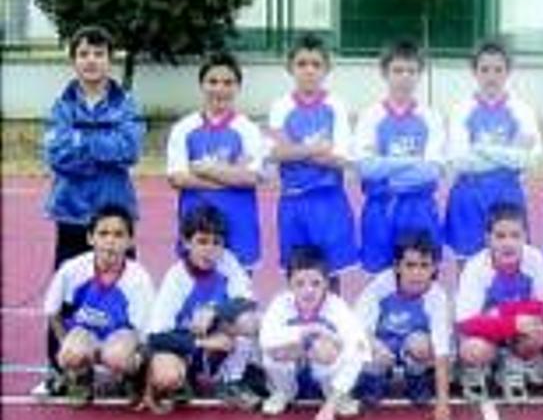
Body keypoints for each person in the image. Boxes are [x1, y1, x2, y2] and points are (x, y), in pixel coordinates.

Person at [42, 25, 145, 376]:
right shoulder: (61, 105)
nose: (91, 60)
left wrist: (80, 141)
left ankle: (128, 365)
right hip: (72, 213)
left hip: (116, 214)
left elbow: (129, 149)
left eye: (98, 54)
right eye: (83, 54)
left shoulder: (126, 103)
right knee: (69, 292)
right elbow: (57, 155)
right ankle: (61, 369)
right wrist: (104, 145)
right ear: (73, 60)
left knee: (125, 291)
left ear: (110, 60)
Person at [142, 204, 261, 414]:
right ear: (187, 242)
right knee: (166, 376)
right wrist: (202, 343)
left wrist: (215, 311)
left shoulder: (227, 261)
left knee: (250, 321)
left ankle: (231, 381)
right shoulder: (176, 278)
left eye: (217, 243)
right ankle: (182, 380)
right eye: (202, 241)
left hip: (217, 343)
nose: (210, 249)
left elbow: (247, 301)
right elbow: (155, 337)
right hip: (184, 345)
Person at [42, 204, 155, 405]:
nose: (110, 241)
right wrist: (66, 344)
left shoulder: (139, 278)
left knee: (117, 356)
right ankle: (82, 378)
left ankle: (128, 378)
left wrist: (134, 366)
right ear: (90, 238)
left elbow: (145, 334)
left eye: (118, 234)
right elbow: (53, 311)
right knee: (70, 353)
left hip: (121, 338)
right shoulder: (72, 269)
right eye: (103, 233)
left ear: (130, 241)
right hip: (87, 335)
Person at [267, 33, 358, 277]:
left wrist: (295, 151)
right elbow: (276, 154)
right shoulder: (281, 106)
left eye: (316, 64)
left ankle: (333, 316)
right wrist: (316, 149)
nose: (309, 71)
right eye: (302, 64)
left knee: (331, 273)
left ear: (327, 68)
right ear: (290, 68)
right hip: (293, 201)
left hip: (329, 200)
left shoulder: (336, 106)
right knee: (297, 274)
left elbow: (340, 159)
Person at [166, 52, 264, 271]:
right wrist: (230, 174)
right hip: (196, 223)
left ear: (238, 87)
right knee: (196, 294)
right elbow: (178, 177)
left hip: (238, 223)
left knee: (238, 298)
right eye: (213, 81)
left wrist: (205, 169)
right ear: (202, 85)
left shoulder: (248, 129)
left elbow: (251, 177)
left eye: (228, 82)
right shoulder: (184, 128)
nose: (220, 89)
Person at [354, 40, 446, 273]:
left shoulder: (431, 117)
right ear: (385, 73)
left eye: (411, 71)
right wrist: (413, 161)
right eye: (397, 70)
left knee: (420, 276)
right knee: (379, 278)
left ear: (420, 74)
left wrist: (386, 171)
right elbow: (366, 168)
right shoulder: (371, 116)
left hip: (419, 208)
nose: (404, 77)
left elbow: (432, 171)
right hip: (380, 208)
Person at [445, 40, 542, 259]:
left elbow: (529, 159)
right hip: (468, 196)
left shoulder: (522, 110)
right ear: (474, 71)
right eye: (485, 69)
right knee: (466, 264)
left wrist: (478, 149)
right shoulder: (461, 110)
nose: (491, 76)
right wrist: (510, 152)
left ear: (508, 71)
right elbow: (461, 161)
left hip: (508, 195)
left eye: (498, 69)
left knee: (508, 264)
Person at [455, 202, 543, 403]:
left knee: (541, 331)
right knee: (472, 349)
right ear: (487, 239)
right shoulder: (475, 267)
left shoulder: (535, 259)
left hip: (516, 330)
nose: (508, 243)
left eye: (515, 235)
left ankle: (512, 364)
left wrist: (505, 314)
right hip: (486, 335)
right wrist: (511, 323)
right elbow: (465, 322)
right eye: (500, 236)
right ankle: (476, 367)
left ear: (526, 237)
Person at [260, 245, 369, 418]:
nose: (308, 290)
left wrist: (331, 406)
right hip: (292, 363)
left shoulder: (337, 306)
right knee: (273, 349)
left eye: (316, 283)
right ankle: (283, 392)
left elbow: (360, 351)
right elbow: (265, 340)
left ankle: (335, 396)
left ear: (326, 283)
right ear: (289, 284)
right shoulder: (280, 304)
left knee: (330, 347)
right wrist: (306, 333)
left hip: (323, 367)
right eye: (300, 283)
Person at [353, 231, 451, 420]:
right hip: (384, 347)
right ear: (397, 266)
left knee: (422, 345)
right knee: (365, 347)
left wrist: (443, 402)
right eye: (410, 265)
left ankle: (417, 380)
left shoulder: (437, 296)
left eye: (424, 266)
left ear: (434, 268)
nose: (417, 272)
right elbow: (357, 328)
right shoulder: (380, 286)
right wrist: (375, 346)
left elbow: (441, 351)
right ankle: (374, 381)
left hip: (413, 347)